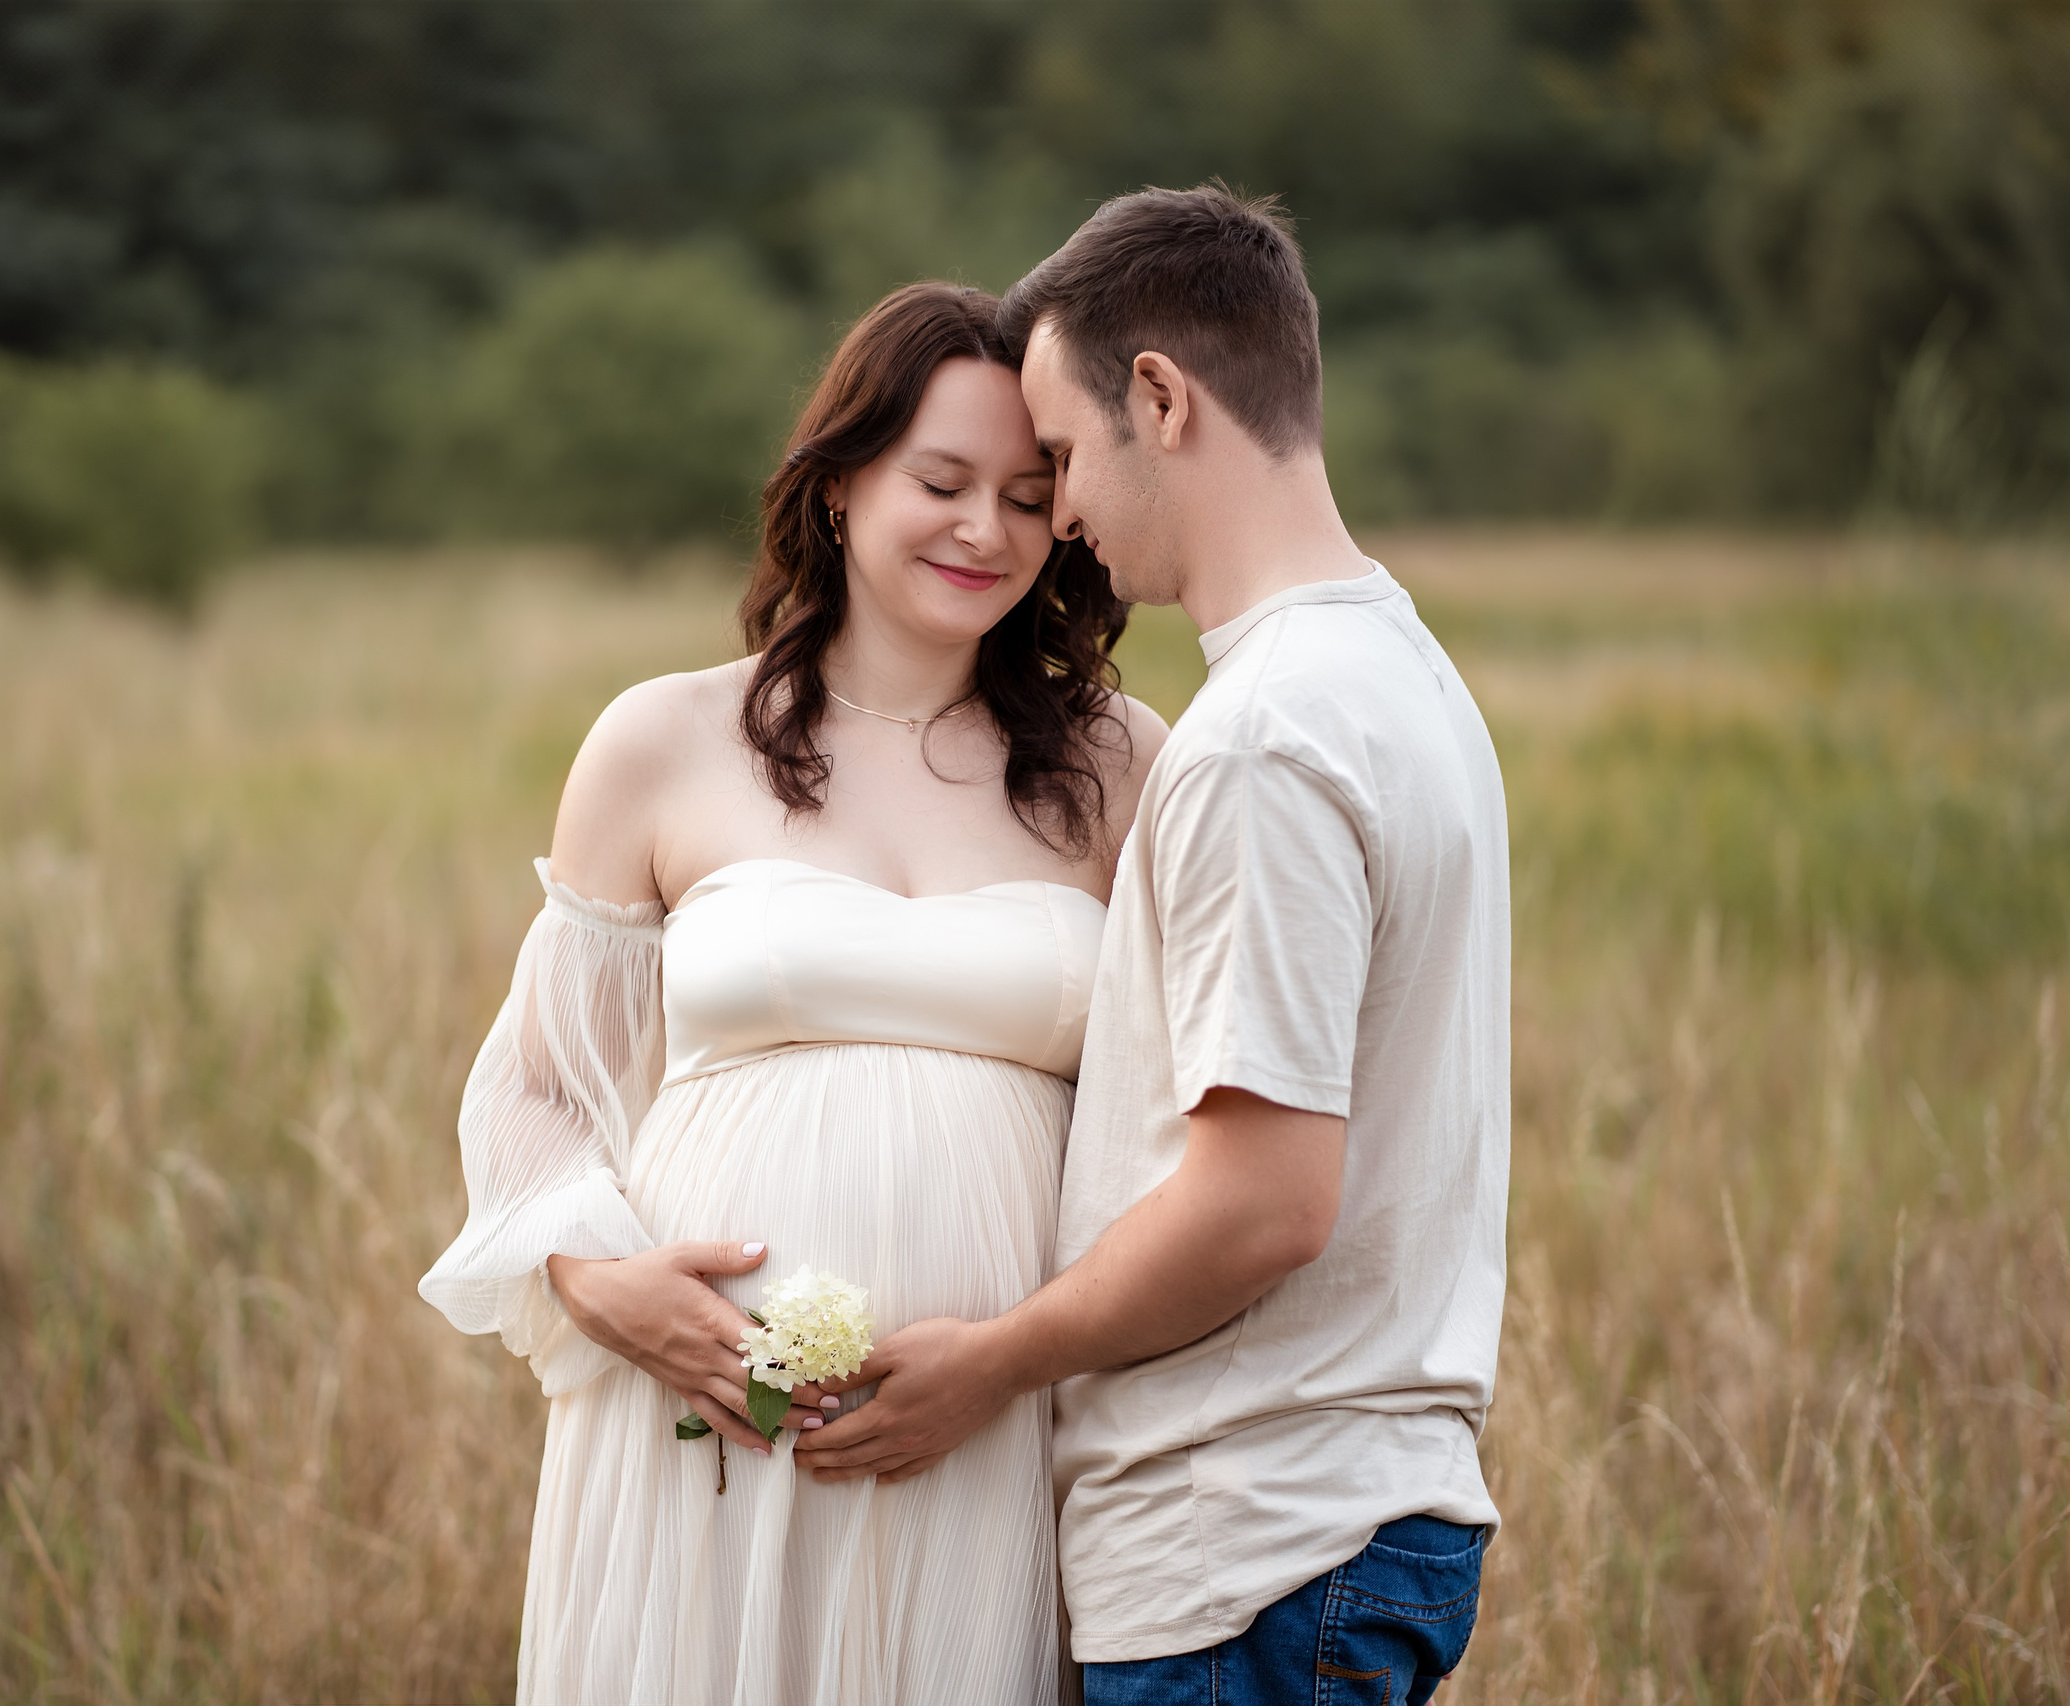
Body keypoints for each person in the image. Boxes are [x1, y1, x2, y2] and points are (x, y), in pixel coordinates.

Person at [792, 186, 1512, 1705]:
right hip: (1330, 1517)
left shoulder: (1262, 737)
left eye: (1056, 458)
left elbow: (1261, 1204)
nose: (1055, 517)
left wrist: (991, 1363)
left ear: (1161, 400)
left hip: (1253, 1543)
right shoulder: (1402, 675)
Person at [418, 281, 1165, 1705]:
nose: (984, 531)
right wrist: (600, 1284)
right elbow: (543, 1082)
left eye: (1026, 495)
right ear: (836, 487)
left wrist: (1017, 1360)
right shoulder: (664, 740)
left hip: (991, 1420)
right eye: (939, 482)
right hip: (706, 1422)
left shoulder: (1121, 764)